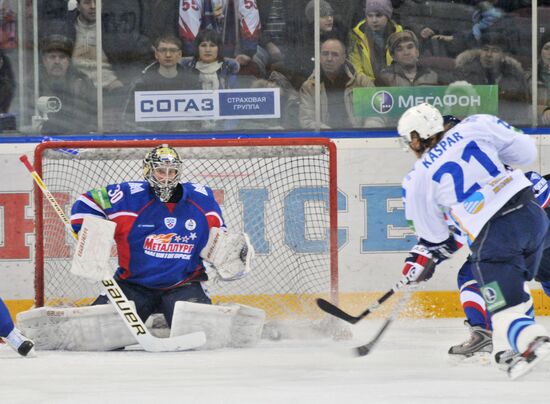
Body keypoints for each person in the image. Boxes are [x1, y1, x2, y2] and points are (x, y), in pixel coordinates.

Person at [397, 103, 550, 379]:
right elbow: (527, 152)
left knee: (498, 300)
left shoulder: (418, 177)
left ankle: (528, 339)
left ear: (417, 138)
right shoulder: (477, 127)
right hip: (533, 220)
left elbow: (436, 237)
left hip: (498, 235)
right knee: (514, 290)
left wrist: (421, 259)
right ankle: (507, 348)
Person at [70, 144, 253, 329]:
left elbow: (219, 237)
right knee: (100, 334)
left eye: (171, 171)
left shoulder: (202, 198)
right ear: (148, 170)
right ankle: (155, 315)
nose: (166, 178)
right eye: (160, 171)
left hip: (184, 284)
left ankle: (166, 315)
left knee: (201, 335)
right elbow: (86, 202)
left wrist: (228, 258)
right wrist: (90, 237)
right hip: (132, 284)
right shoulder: (128, 196)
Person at [124, 34, 199, 131]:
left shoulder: (191, 82)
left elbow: (199, 119)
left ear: (179, 54)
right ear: (156, 54)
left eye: (172, 50)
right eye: (163, 50)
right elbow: (128, 120)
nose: (168, 55)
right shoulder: (142, 83)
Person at [453, 30, 530, 125]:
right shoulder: (464, 74)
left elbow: (522, 110)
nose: (489, 54)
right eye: (485, 49)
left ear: (504, 55)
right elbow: (455, 109)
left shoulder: (515, 77)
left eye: (495, 50)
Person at [299, 35, 374, 129]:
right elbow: (307, 121)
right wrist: (329, 134)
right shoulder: (309, 87)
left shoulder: (361, 82)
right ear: (319, 57)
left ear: (343, 59)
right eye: (325, 54)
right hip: (326, 139)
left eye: (335, 54)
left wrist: (367, 134)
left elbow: (375, 114)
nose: (329, 59)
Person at [180, 29, 239, 130]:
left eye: (212, 45)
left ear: (218, 48)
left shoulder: (228, 71)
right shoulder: (187, 71)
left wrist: (227, 130)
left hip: (223, 127)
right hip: (192, 127)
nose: (207, 50)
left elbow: (235, 107)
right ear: (197, 48)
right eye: (203, 45)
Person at [39, 34, 97, 134]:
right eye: (52, 57)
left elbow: (93, 118)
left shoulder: (83, 83)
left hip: (77, 139)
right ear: (44, 61)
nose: (57, 61)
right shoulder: (34, 83)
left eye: (62, 57)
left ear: (69, 61)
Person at [348, 0, 403, 82]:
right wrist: (368, 84)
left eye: (379, 15)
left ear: (388, 16)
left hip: (395, 84)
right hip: (365, 87)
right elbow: (355, 66)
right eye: (370, 16)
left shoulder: (399, 35)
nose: (374, 20)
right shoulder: (356, 36)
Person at [526, 32, 550, 125]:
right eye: (547, 48)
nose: (549, 53)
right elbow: (521, 108)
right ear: (540, 52)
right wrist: (544, 110)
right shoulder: (530, 78)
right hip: (538, 128)